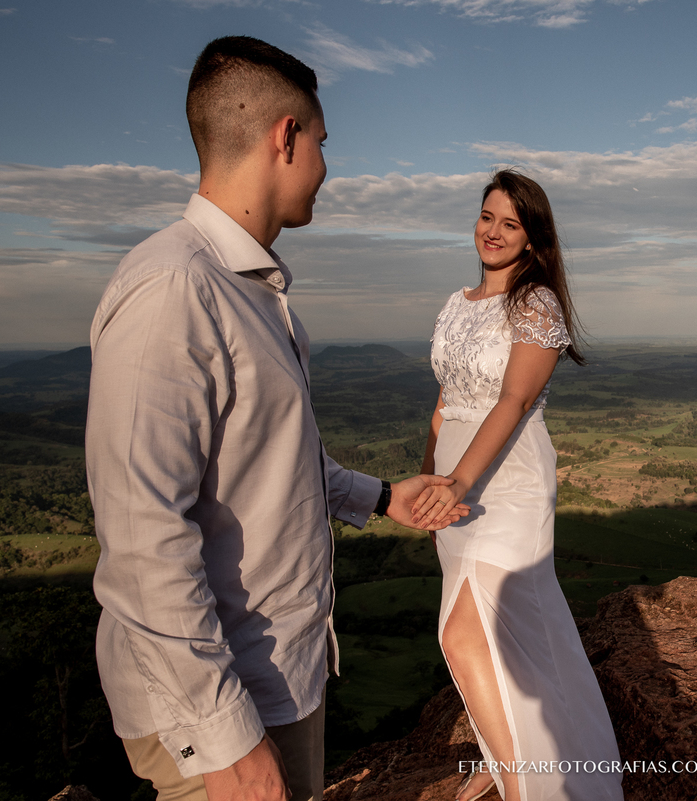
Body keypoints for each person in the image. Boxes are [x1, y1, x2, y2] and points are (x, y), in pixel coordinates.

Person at [86, 36, 467, 801]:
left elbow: (267, 459)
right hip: (221, 705)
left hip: (274, 677)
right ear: (285, 137)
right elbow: (139, 535)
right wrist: (227, 737)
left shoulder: (247, 289)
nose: (327, 167)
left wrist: (381, 495)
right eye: (323, 144)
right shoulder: (176, 288)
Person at [411, 171, 624, 801]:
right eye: (486, 217)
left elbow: (514, 399)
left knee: (464, 630)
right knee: (495, 633)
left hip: (506, 482)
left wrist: (456, 482)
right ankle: (503, 750)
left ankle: (523, 782)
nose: (493, 232)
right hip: (453, 479)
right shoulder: (456, 302)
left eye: (510, 223)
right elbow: (443, 405)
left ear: (533, 238)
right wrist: (431, 483)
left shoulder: (535, 305)